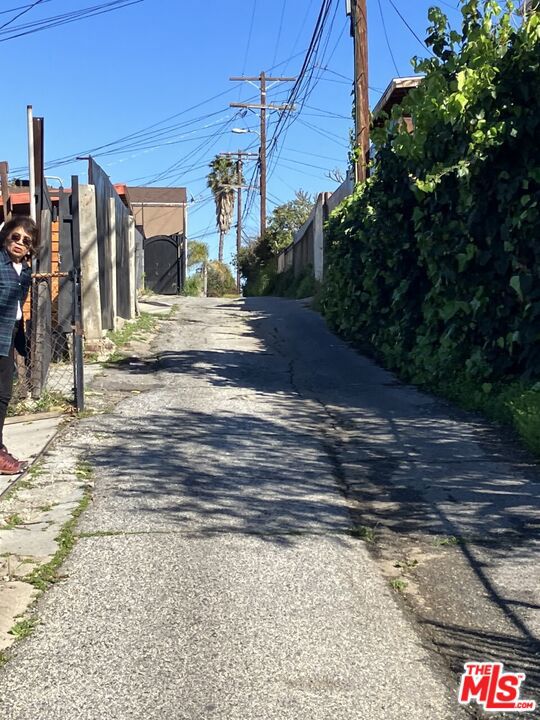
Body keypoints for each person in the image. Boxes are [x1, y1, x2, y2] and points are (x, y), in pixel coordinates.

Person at [0, 216, 38, 474]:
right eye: (16, 237)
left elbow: (16, 308)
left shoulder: (23, 271)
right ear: (6, 236)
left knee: (3, 395)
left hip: (9, 335)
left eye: (26, 241)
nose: (20, 243)